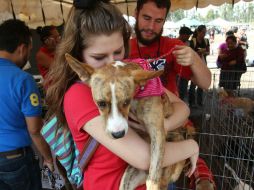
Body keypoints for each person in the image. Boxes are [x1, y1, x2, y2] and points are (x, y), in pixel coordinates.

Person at [45, 1, 199, 190]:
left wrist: (162, 125)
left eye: (118, 52)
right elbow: (144, 158)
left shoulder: (129, 73)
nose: (112, 65)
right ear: (79, 56)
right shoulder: (80, 94)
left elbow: (183, 107)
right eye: (100, 57)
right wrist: (191, 147)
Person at [0, 19, 54, 190]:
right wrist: (48, 158)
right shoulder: (23, 79)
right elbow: (34, 130)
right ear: (22, 48)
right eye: (30, 49)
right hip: (15, 159)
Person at [129, 0, 211, 97]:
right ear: (136, 13)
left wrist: (194, 58)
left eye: (158, 21)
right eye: (146, 18)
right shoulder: (121, 49)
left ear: (164, 21)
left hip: (169, 108)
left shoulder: (173, 47)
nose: (151, 27)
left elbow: (206, 83)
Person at [188, 25, 210, 107]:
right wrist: (198, 52)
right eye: (203, 32)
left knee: (201, 83)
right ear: (198, 32)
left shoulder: (206, 41)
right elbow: (191, 53)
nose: (204, 34)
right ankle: (192, 102)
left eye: (205, 32)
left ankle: (200, 102)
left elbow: (208, 52)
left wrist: (203, 52)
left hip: (203, 64)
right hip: (194, 65)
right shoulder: (193, 41)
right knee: (193, 83)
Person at [177, 26, 193, 101]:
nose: (189, 36)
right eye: (188, 35)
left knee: (183, 90)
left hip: (185, 72)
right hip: (177, 72)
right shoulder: (174, 43)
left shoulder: (189, 43)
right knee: (176, 90)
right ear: (182, 34)